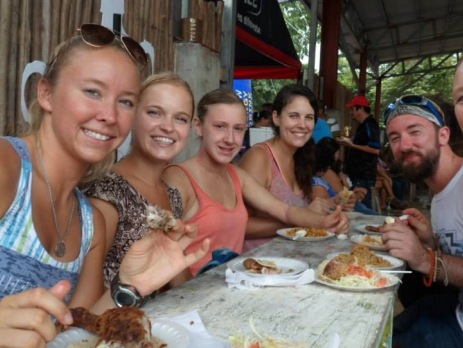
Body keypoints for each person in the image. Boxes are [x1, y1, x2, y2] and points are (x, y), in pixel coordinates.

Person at [0, 24, 208, 347]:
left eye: (125, 102)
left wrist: (128, 284)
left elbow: (73, 333)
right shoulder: (7, 168)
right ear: (46, 93)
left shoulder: (90, 223)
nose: (110, 115)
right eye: (92, 92)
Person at [163, 88, 348, 275]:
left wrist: (324, 221)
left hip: (234, 285)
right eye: (219, 126)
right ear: (198, 126)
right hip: (195, 295)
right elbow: (167, 254)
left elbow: (284, 210)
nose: (229, 139)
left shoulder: (236, 175)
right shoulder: (177, 177)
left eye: (238, 129)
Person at [84, 72, 195, 289]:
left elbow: (178, 283)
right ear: (133, 116)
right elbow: (87, 295)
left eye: (180, 118)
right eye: (155, 113)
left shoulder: (172, 194)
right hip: (115, 320)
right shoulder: (107, 191)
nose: (168, 127)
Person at [380, 93, 463, 347]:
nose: (403, 145)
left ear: (443, 135)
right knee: (377, 335)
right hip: (453, 308)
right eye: (395, 138)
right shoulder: (439, 196)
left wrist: (424, 258)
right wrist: (431, 241)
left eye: (415, 131)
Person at [238, 85, 340, 252]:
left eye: (309, 117)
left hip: (295, 263)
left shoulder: (302, 157)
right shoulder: (259, 157)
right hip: (259, 266)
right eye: (293, 116)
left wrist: (330, 205)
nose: (302, 125)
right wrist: (303, 216)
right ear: (276, 118)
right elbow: (242, 226)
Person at [312, 136, 379, 216]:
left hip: (342, 208)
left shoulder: (328, 171)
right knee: (372, 214)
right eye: (337, 152)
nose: (338, 155)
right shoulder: (326, 174)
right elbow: (344, 197)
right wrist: (356, 195)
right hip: (343, 210)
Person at [339, 95, 381, 209]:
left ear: (360, 109)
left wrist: (352, 145)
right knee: (356, 206)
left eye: (352, 109)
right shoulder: (362, 125)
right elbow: (362, 144)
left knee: (362, 208)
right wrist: (348, 143)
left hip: (363, 175)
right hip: (357, 174)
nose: (350, 112)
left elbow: (376, 150)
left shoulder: (370, 124)